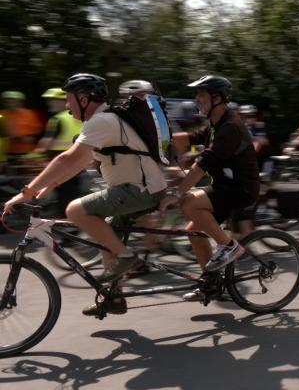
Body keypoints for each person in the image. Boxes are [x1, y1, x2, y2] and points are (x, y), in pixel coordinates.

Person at [2, 73, 168, 315]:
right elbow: (80, 161)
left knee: (75, 210)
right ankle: (114, 297)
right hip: (138, 189)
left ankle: (126, 256)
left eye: (69, 99)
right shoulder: (105, 119)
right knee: (104, 238)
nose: (67, 105)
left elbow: (67, 157)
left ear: (83, 98)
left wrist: (27, 192)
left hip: (139, 191)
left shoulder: (102, 120)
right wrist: (51, 184)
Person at [161, 75, 260, 301]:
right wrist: (164, 139)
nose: (197, 100)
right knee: (193, 231)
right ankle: (211, 283)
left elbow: (203, 164)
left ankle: (229, 246)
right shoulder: (216, 123)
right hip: (225, 186)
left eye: (201, 95)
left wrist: (177, 193)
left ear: (217, 98)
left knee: (188, 202)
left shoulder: (231, 127)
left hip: (240, 189)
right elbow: (193, 138)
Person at [31, 88, 84, 217]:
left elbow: (46, 142)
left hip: (61, 162)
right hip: (78, 161)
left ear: (63, 101)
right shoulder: (79, 116)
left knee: (63, 194)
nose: (50, 103)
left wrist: (32, 155)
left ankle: (69, 223)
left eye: (53, 101)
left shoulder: (57, 119)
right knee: (71, 192)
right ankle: (72, 221)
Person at [0, 90, 44, 159]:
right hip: (5, 151)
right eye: (7, 101)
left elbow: (37, 131)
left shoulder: (29, 113)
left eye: (14, 101)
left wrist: (28, 137)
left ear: (20, 102)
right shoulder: (1, 114)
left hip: (26, 151)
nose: (10, 103)